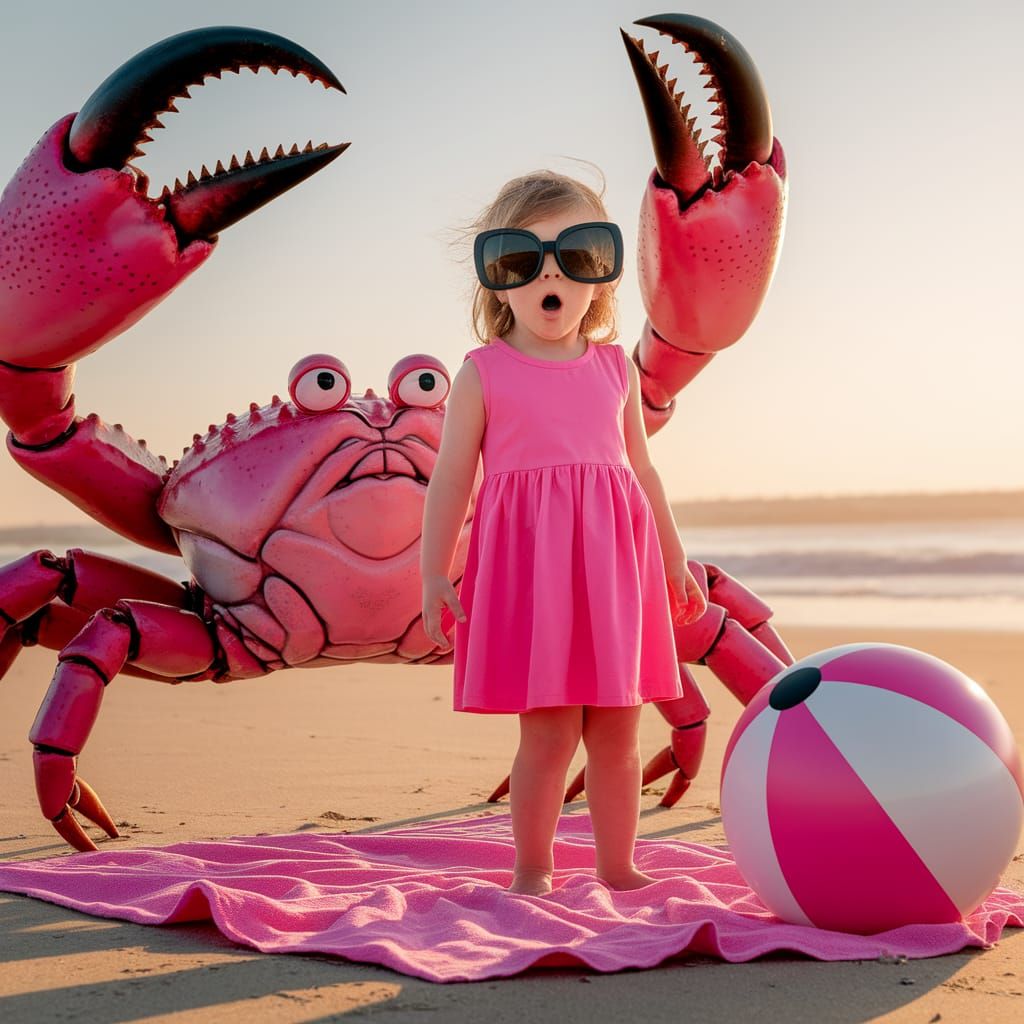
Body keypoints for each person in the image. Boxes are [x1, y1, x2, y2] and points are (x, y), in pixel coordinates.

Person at [420, 170, 707, 896]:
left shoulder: (615, 369)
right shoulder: (484, 372)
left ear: (600, 280)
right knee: (547, 733)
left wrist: (675, 558)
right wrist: (432, 573)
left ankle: (618, 867)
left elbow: (643, 473)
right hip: (535, 577)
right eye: (524, 259)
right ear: (500, 283)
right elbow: (452, 480)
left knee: (617, 731)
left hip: (615, 572)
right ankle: (533, 868)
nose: (551, 274)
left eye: (575, 256)